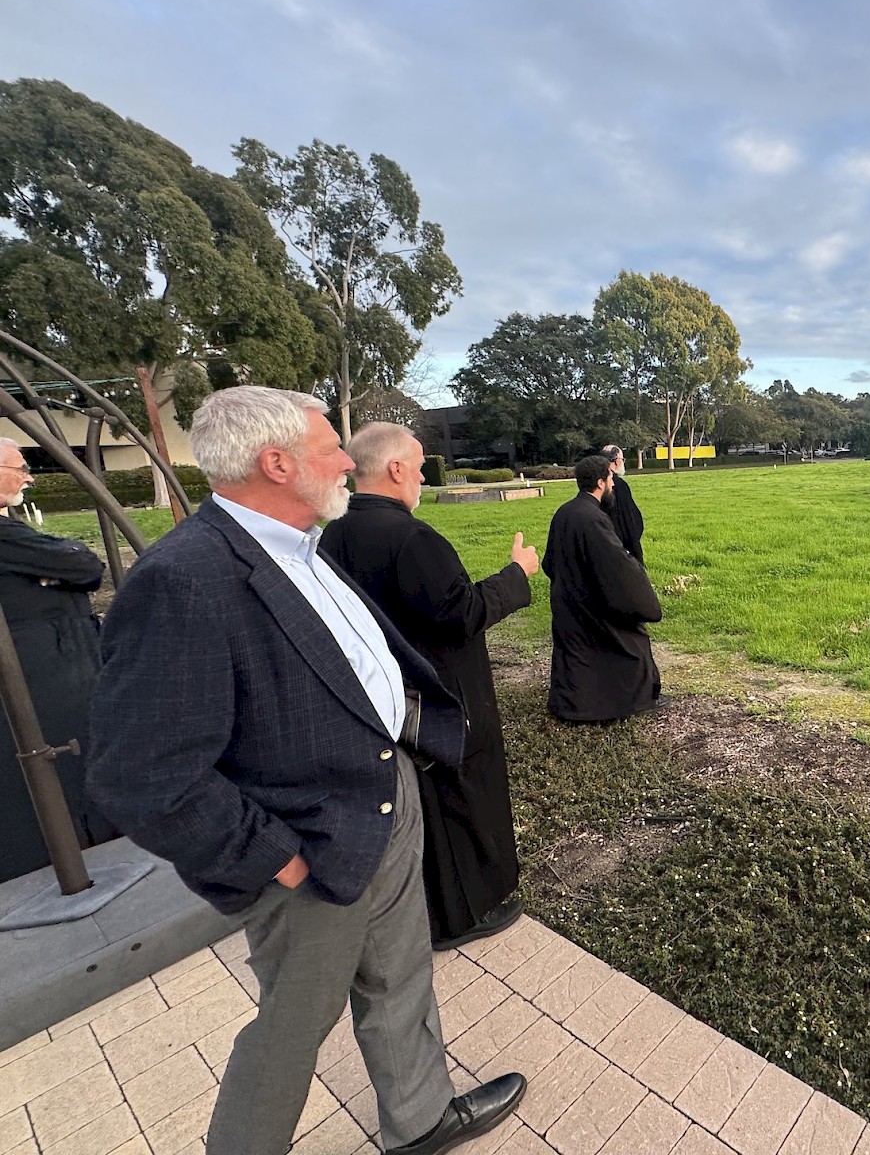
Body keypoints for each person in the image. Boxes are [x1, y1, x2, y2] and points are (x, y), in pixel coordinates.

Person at [85, 388, 525, 1155]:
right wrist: (274, 859)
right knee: (293, 1026)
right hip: (310, 846)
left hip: (385, 799)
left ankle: (421, 1118)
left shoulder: (300, 546)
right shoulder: (185, 577)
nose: (347, 465)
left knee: (400, 976)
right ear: (277, 463)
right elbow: (139, 774)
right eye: (331, 450)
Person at [321, 422, 535, 951]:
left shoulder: (333, 533)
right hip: (441, 693)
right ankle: (462, 914)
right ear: (395, 469)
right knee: (458, 797)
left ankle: (425, 906)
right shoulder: (412, 538)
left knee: (417, 800)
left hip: (383, 694)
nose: (421, 477)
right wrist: (516, 574)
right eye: (418, 468)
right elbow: (460, 614)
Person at [0, 438, 113, 881]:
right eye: (19, 468)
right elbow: (82, 566)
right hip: (40, 689)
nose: (28, 478)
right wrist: (56, 573)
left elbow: (80, 564)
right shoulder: (9, 539)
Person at [544, 453, 663, 722]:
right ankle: (630, 700)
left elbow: (549, 562)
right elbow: (616, 566)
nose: (612, 484)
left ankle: (575, 705)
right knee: (632, 639)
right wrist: (642, 599)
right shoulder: (593, 518)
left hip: (567, 603)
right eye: (610, 478)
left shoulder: (565, 512)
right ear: (600, 482)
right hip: (590, 604)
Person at [598, 444, 645, 563]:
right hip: (617, 544)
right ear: (617, 461)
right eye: (622, 459)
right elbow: (629, 519)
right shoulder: (619, 485)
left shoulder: (593, 482)